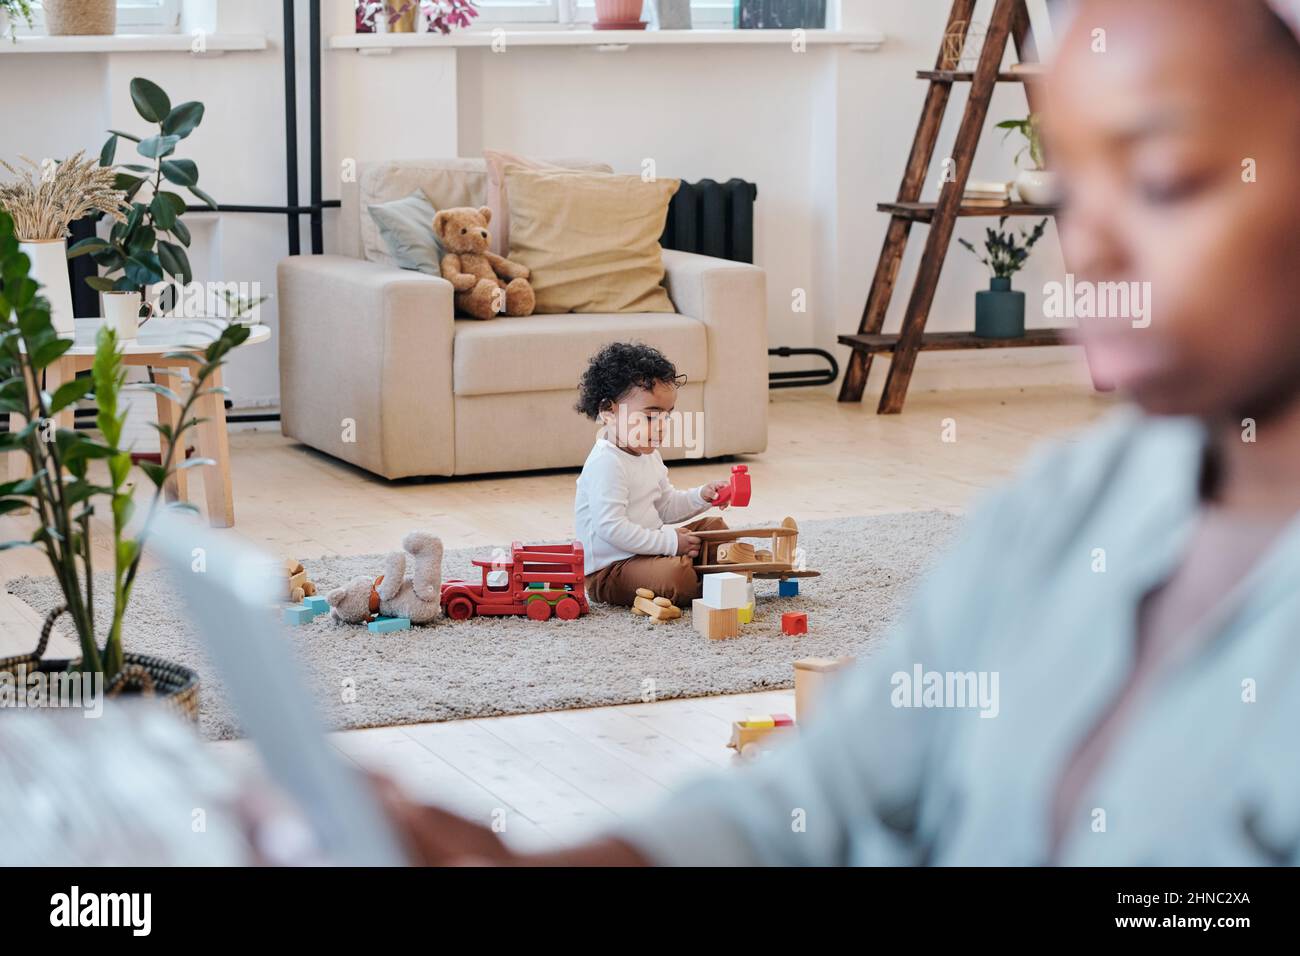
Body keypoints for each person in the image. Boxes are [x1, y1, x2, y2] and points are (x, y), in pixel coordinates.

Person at [380, 0, 1300, 865]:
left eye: (1162, 179)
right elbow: (826, 787)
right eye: (1070, 190)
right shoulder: (1062, 508)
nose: (1091, 245)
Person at [573, 342, 730, 607]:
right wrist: (670, 543)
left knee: (715, 530)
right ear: (608, 413)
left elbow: (665, 507)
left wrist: (702, 496)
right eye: (650, 418)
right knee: (677, 577)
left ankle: (711, 572)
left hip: (648, 553)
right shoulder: (606, 463)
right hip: (611, 569)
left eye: (666, 418)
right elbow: (611, 528)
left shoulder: (648, 454)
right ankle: (707, 576)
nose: (660, 427)